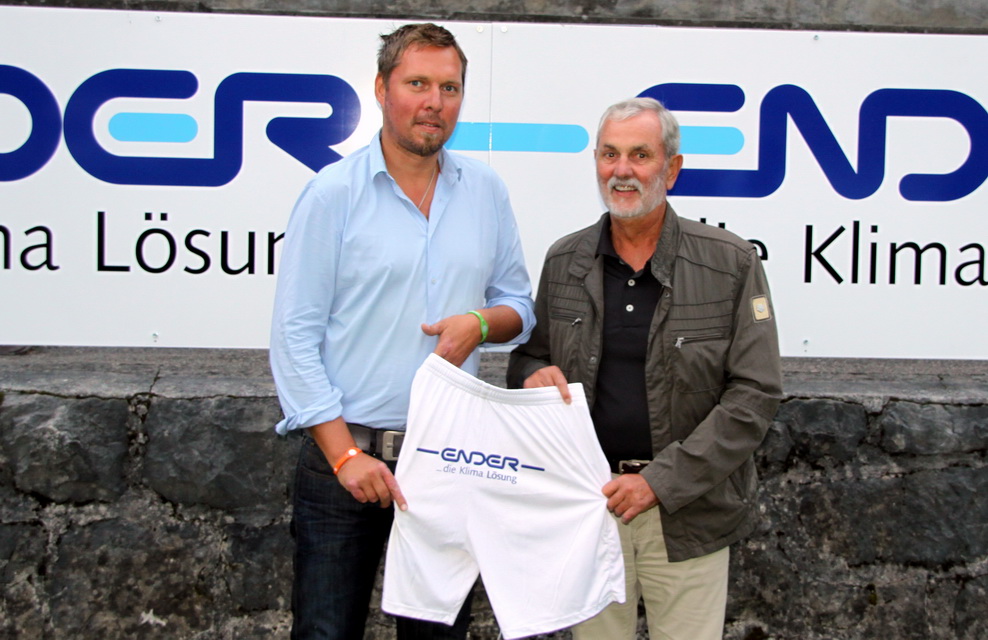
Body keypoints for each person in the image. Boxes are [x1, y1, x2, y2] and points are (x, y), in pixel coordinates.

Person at [269, 23, 535, 640]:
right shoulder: (331, 195)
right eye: (417, 84)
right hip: (345, 462)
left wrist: (479, 324)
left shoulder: (485, 191)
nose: (434, 102)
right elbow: (294, 338)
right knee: (325, 632)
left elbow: (519, 305)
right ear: (382, 89)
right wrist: (344, 456)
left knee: (437, 635)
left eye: (449, 88)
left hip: (447, 462)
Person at [507, 97, 782, 640]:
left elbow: (754, 395)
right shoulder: (565, 261)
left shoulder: (729, 262)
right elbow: (529, 357)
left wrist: (658, 482)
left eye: (640, 154)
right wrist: (530, 374)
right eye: (609, 154)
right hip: (590, 510)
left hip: (688, 517)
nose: (622, 170)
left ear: (671, 169)